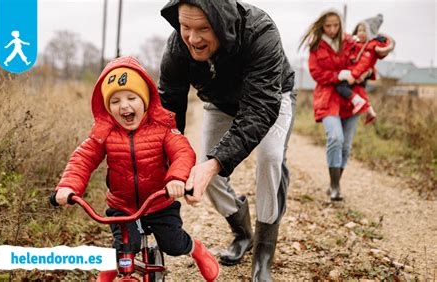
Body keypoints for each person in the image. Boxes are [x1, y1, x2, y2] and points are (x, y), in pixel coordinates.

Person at [158, 1, 295, 280]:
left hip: (271, 98)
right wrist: (166, 165)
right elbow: (168, 115)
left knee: (269, 159)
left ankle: (264, 254)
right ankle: (243, 233)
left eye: (203, 29)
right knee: (205, 169)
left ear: (221, 23)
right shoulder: (176, 49)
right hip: (219, 103)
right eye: (185, 27)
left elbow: (259, 109)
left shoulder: (260, 31)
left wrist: (215, 163)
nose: (193, 39)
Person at [53, 56, 219, 282]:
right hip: (123, 206)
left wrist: (177, 178)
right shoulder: (104, 134)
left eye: (132, 98)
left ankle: (196, 249)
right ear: (107, 107)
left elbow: (183, 152)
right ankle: (110, 272)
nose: (124, 106)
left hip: (160, 201)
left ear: (146, 100)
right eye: (115, 101)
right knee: (123, 248)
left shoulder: (162, 128)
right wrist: (68, 187)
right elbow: (82, 159)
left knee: (173, 243)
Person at [299, 10, 393, 201]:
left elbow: (370, 50)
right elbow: (316, 74)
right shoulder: (316, 46)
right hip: (328, 98)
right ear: (322, 26)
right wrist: (339, 75)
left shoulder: (350, 40)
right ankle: (334, 187)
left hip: (352, 99)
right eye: (328, 26)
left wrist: (387, 44)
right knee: (335, 138)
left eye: (336, 25)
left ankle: (336, 183)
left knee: (346, 146)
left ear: (340, 24)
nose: (332, 29)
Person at [335, 13, 395, 123]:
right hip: (356, 74)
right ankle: (370, 110)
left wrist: (353, 75)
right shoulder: (357, 45)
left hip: (356, 75)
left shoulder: (368, 48)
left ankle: (357, 102)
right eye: (359, 30)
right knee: (360, 91)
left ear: (370, 33)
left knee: (341, 87)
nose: (361, 33)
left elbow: (363, 63)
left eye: (364, 30)